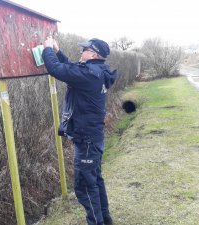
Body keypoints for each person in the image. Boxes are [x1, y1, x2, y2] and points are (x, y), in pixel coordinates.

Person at [42, 36, 118, 225]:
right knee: (95, 180)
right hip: (94, 137)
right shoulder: (97, 71)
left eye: (84, 50)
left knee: (85, 186)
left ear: (93, 54)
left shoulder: (88, 74)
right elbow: (71, 69)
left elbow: (57, 69)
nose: (80, 52)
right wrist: (58, 52)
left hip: (86, 141)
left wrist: (48, 49)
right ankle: (105, 219)